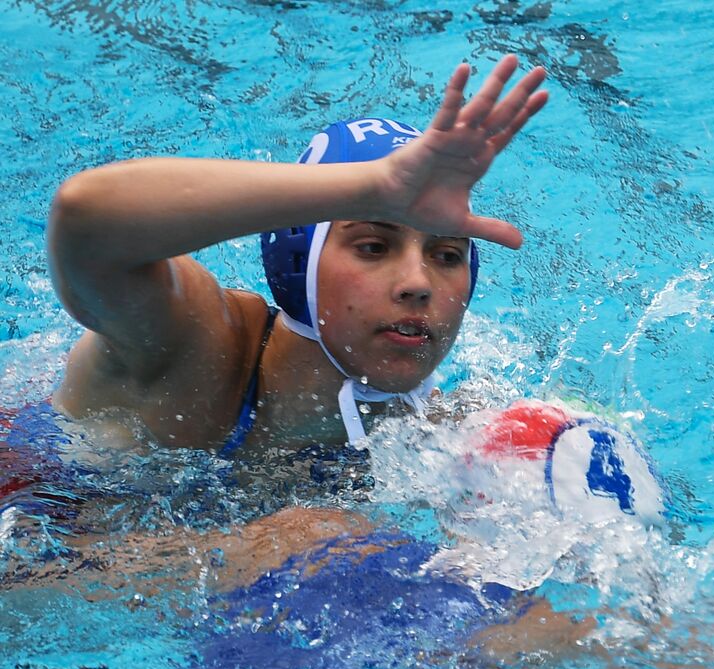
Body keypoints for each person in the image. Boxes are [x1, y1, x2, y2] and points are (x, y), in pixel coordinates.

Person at [45, 55, 547, 457]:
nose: (418, 282)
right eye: (373, 246)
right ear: (295, 261)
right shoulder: (197, 344)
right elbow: (85, 219)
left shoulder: (436, 435)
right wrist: (373, 186)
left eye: (446, 255)